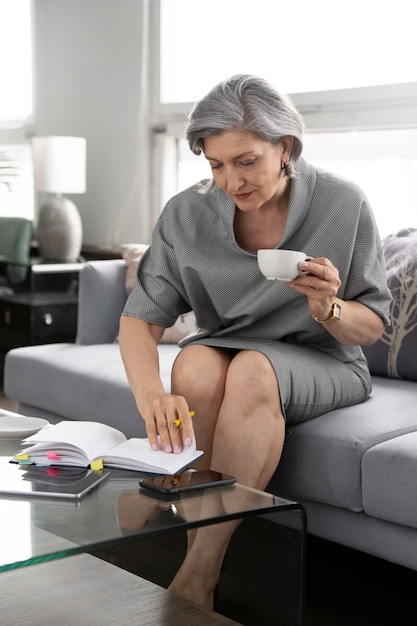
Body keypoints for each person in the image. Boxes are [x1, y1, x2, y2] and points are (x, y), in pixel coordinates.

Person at [118, 74, 391, 609]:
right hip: (228, 344)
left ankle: (197, 575)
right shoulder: (187, 213)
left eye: (246, 162)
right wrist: (151, 397)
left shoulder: (342, 203)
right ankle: (203, 551)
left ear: (285, 147)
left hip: (323, 358)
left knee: (252, 369)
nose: (231, 181)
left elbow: (373, 325)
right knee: (192, 366)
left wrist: (328, 307)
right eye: (216, 164)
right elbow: (140, 319)